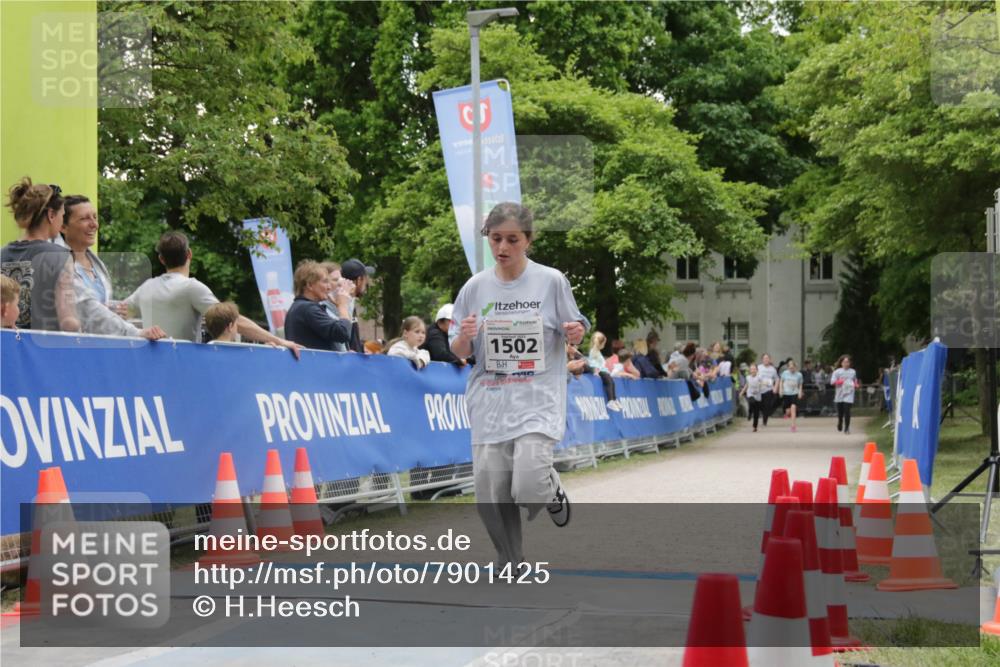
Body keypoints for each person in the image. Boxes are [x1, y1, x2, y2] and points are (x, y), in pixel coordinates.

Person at [450, 202, 587, 567]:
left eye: (512, 239)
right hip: (490, 401)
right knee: (492, 494)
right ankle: (510, 558)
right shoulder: (475, 287)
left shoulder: (551, 280)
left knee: (527, 484)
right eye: (496, 239)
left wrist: (576, 329)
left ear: (528, 239)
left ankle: (550, 488)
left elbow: (575, 326)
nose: (503, 248)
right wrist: (464, 337)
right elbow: (459, 348)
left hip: (537, 398)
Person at [126, 231, 300, 354]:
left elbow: (117, 313)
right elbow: (232, 319)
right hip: (181, 365)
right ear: (189, 254)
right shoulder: (191, 287)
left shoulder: (145, 287)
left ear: (161, 259)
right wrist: (280, 341)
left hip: (148, 365)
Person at [61, 195, 165, 340]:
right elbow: (88, 309)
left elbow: (98, 306)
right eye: (84, 219)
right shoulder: (60, 265)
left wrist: (114, 308)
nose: (94, 224)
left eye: (95, 217)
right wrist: (136, 333)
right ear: (63, 227)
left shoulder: (97, 264)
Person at [1, 178, 79, 331]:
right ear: (51, 215)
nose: (62, 222)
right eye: (62, 215)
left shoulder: (1, 253)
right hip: (43, 349)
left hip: (6, 346)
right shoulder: (61, 256)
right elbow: (68, 321)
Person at [284, 260, 353, 351]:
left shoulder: (300, 307)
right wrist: (342, 305)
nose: (329, 287)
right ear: (309, 285)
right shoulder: (308, 309)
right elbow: (343, 333)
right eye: (325, 282)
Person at [568, 341, 621, 412]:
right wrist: (593, 370)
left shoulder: (577, 354)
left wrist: (576, 353)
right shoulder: (563, 355)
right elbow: (583, 365)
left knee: (606, 375)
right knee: (589, 367)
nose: (573, 347)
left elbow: (586, 361)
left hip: (589, 370)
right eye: (572, 345)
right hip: (577, 374)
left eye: (575, 345)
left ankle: (612, 399)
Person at [339, 258, 375, 353]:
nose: (366, 284)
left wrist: (361, 347)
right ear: (359, 280)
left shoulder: (349, 302)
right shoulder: (342, 304)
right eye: (365, 279)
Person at [320, 261, 348, 352]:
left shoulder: (336, 305)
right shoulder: (321, 307)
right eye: (335, 280)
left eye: (341, 280)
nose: (340, 284)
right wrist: (343, 305)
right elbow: (344, 333)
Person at [831, 354, 859, 434]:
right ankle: (840, 422)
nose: (846, 363)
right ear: (841, 363)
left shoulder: (853, 371)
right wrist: (840, 381)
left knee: (847, 411)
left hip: (849, 394)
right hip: (839, 395)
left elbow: (854, 380)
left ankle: (847, 428)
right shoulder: (837, 372)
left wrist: (856, 384)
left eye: (848, 362)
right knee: (840, 413)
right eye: (844, 362)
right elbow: (832, 382)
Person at [778, 359, 805, 432]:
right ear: (788, 368)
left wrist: (800, 392)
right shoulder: (785, 373)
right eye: (790, 368)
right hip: (786, 393)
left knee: (793, 408)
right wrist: (780, 389)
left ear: (795, 367)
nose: (791, 369)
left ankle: (793, 425)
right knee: (788, 411)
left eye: (793, 368)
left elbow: (800, 384)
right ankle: (787, 413)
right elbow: (781, 381)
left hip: (794, 393)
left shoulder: (799, 375)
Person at [757, 353, 779, 426]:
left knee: (767, 406)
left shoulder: (773, 369)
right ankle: (762, 414)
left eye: (767, 358)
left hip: (768, 390)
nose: (766, 360)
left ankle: (764, 421)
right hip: (760, 390)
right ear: (762, 360)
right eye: (764, 358)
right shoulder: (758, 367)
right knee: (760, 405)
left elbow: (777, 379)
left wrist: (775, 388)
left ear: (770, 360)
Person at [740, 363, 763, 432]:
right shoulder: (748, 377)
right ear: (749, 370)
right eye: (751, 369)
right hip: (750, 394)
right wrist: (742, 392)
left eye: (754, 369)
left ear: (757, 370)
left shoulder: (759, 377)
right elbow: (747, 385)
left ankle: (754, 426)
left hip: (758, 396)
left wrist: (759, 388)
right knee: (751, 402)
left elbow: (761, 385)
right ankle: (750, 412)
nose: (753, 370)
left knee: (756, 413)